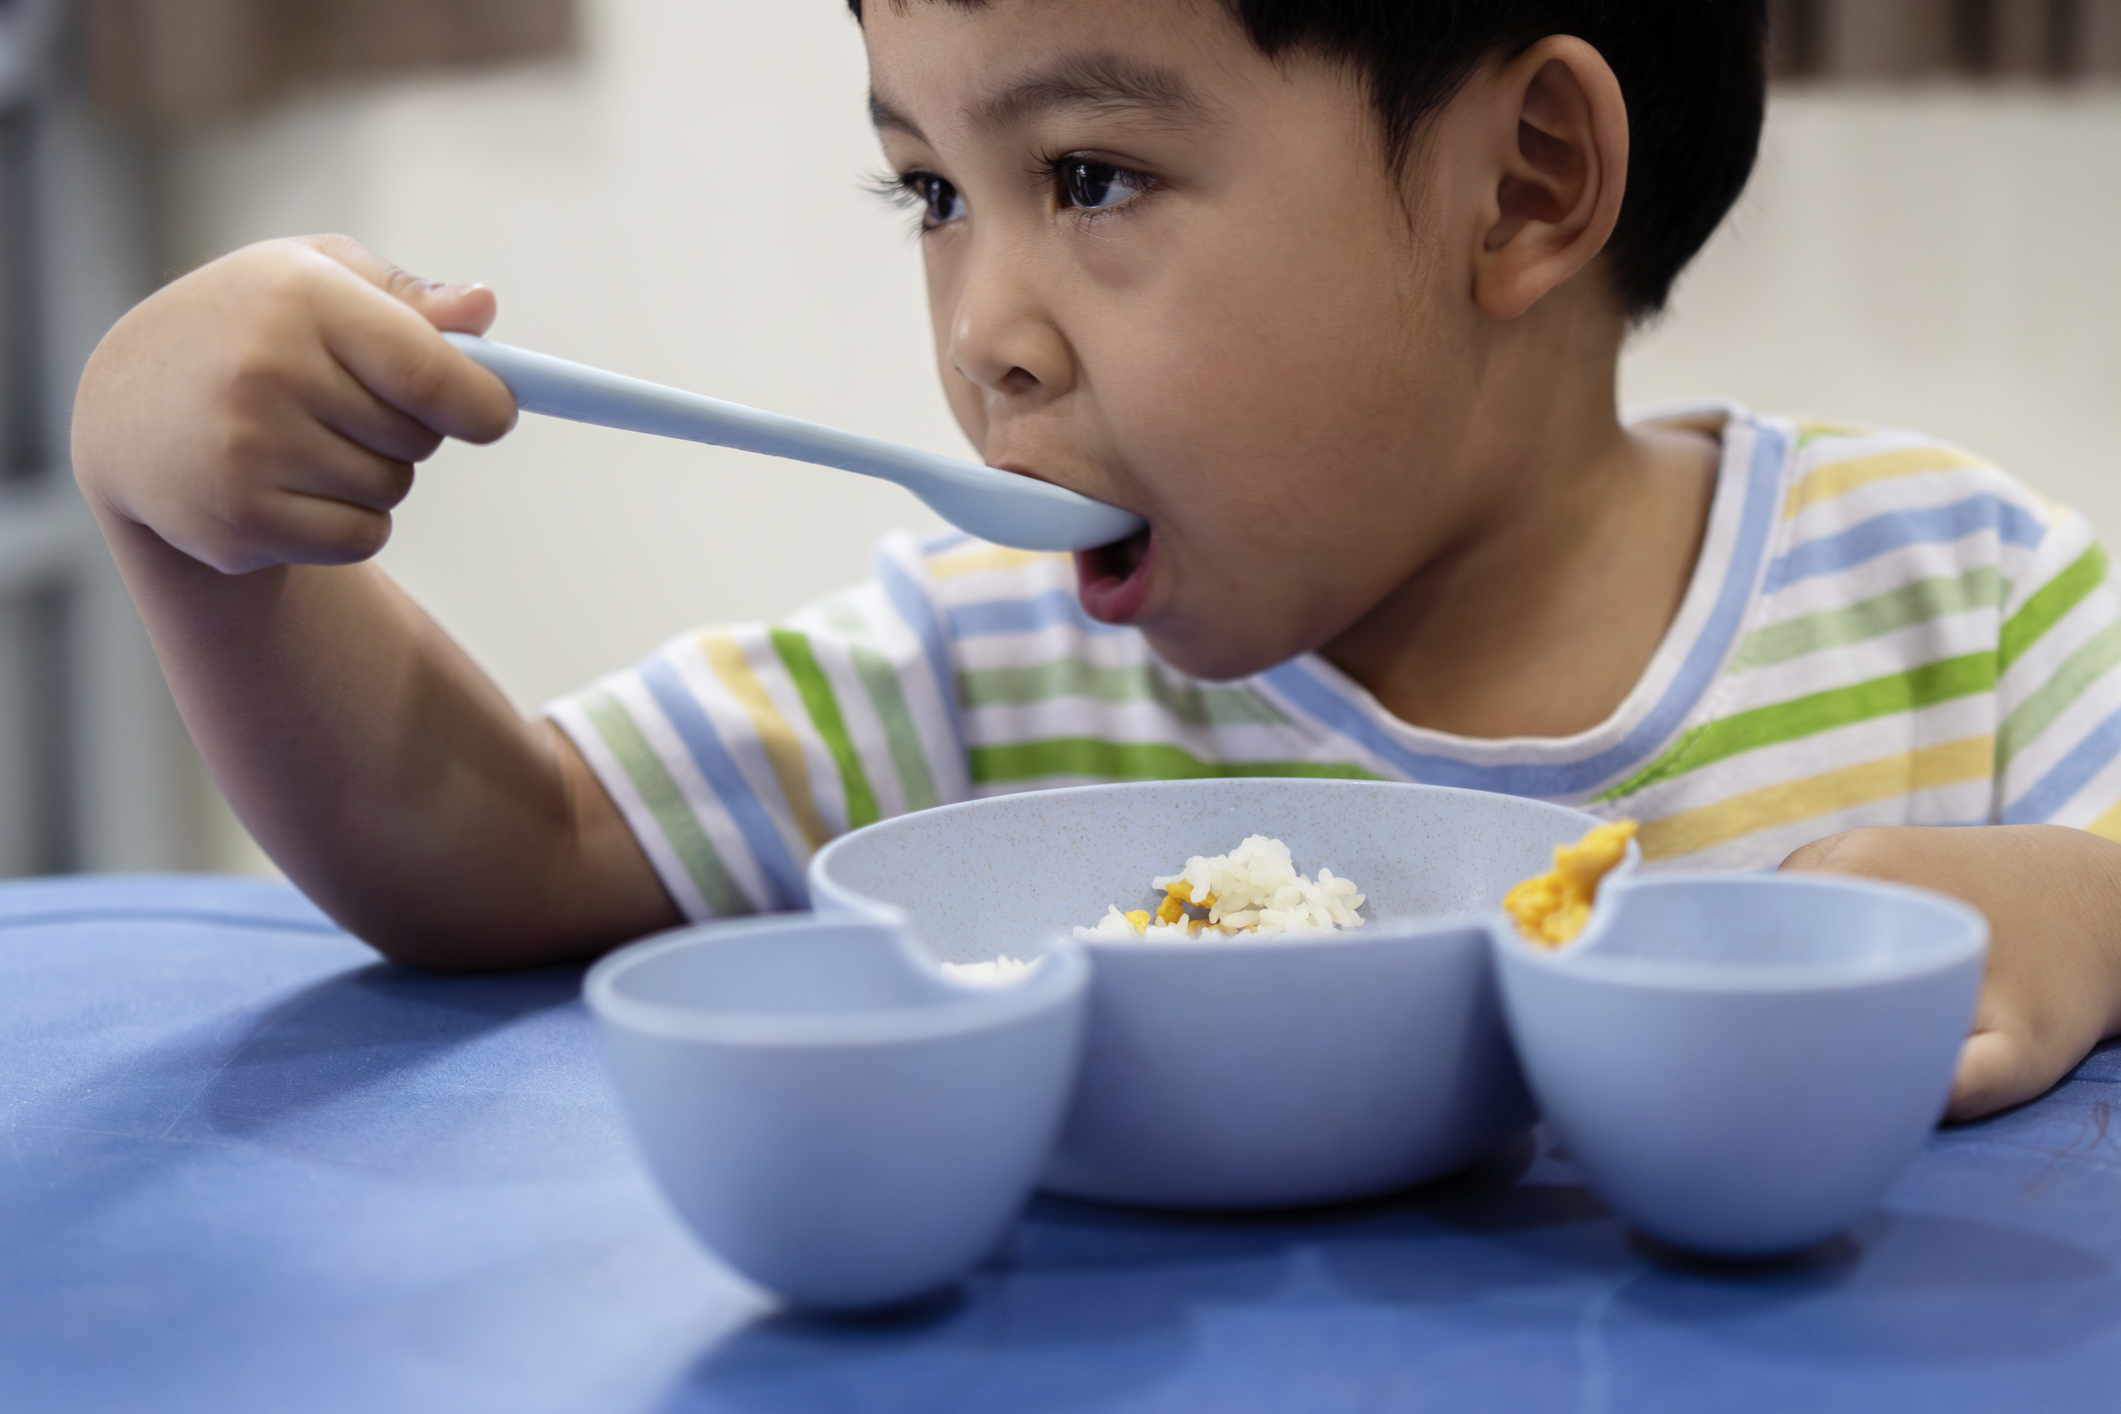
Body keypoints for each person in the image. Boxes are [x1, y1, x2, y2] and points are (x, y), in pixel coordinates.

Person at [69, 0, 2121, 1122]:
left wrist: (2080, 909)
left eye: (1089, 176)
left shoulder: (1947, 596)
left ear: (1525, 181)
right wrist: (197, 545)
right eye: (930, 191)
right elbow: (502, 846)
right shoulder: (979, 674)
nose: (985, 331)